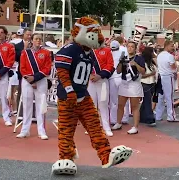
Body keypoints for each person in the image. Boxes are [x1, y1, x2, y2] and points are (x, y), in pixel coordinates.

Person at [52, 17, 132, 175]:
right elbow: (61, 70)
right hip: (68, 98)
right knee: (66, 130)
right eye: (94, 32)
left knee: (95, 127)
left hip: (84, 94)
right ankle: (66, 157)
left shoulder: (88, 52)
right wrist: (69, 90)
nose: (98, 36)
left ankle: (105, 155)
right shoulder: (70, 49)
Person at [16, 33, 51, 139]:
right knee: (26, 105)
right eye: (36, 39)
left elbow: (47, 68)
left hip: (41, 81)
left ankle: (41, 131)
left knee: (41, 106)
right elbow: (22, 68)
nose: (38, 41)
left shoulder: (46, 52)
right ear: (32, 40)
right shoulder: (25, 53)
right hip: (27, 81)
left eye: (40, 39)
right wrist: (30, 80)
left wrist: (35, 78)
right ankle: (25, 130)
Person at [111, 41, 146, 134]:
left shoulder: (139, 58)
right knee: (120, 105)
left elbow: (143, 71)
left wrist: (136, 65)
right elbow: (118, 71)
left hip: (134, 83)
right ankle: (118, 122)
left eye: (132, 47)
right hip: (124, 82)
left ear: (135, 49)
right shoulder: (124, 58)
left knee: (134, 106)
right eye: (129, 46)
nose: (130, 48)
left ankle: (135, 126)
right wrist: (121, 63)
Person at [154, 40, 179, 122]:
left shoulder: (159, 55)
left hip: (160, 76)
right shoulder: (169, 56)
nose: (173, 48)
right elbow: (173, 67)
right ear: (167, 45)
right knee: (169, 97)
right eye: (172, 46)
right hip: (168, 76)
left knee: (161, 97)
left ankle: (158, 115)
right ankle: (171, 116)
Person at [108, 40, 130, 125]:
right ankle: (124, 118)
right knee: (124, 99)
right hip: (122, 78)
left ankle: (113, 119)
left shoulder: (109, 54)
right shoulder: (124, 53)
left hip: (112, 78)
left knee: (113, 101)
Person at [139, 47, 157, 126]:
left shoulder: (152, 62)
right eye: (152, 52)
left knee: (146, 101)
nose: (154, 54)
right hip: (144, 83)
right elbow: (141, 75)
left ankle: (142, 117)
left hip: (152, 83)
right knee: (147, 101)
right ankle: (150, 118)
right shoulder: (142, 62)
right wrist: (151, 74)